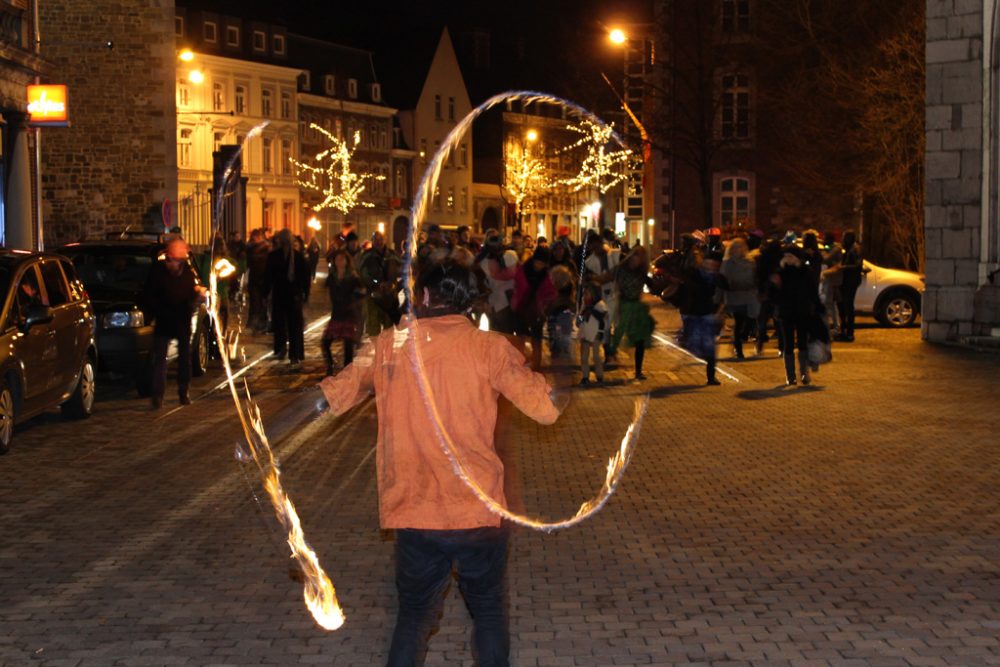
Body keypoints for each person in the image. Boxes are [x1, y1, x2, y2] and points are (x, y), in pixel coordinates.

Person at [317, 260, 563, 667]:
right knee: (487, 611)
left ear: (426, 296)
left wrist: (264, 429)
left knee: (413, 617)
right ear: (467, 304)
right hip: (477, 508)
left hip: (416, 509)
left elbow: (330, 396)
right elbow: (546, 410)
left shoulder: (389, 344)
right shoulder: (488, 348)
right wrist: (561, 382)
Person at [140, 238, 207, 409]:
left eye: (176, 260)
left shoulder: (187, 274)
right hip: (163, 320)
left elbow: (191, 299)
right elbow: (148, 296)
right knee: (160, 361)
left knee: (185, 358)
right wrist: (155, 312)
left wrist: (197, 298)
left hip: (182, 321)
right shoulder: (158, 272)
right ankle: (157, 396)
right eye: (170, 259)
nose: (172, 264)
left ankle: (183, 391)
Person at [771, 244, 823, 385]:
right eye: (785, 256)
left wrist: (818, 308)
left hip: (802, 311)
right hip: (786, 312)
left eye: (790, 256)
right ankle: (790, 376)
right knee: (788, 343)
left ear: (797, 258)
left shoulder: (805, 271)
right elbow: (773, 294)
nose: (787, 259)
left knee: (802, 342)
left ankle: (804, 373)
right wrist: (775, 284)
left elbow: (812, 291)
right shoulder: (780, 272)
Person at [266, 229, 310, 369]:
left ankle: (295, 354)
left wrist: (304, 294)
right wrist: (265, 293)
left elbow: (305, 277)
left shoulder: (298, 257)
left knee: (294, 326)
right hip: (279, 294)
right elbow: (269, 277)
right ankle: (281, 349)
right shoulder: (274, 256)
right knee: (279, 324)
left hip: (294, 295)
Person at [611, 245, 656, 381]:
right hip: (624, 304)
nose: (637, 259)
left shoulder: (642, 272)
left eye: (641, 257)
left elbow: (653, 285)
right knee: (619, 331)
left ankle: (638, 371)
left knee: (640, 339)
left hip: (636, 307)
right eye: (636, 255)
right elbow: (614, 282)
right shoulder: (622, 268)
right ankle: (610, 353)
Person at [321, 249, 365, 376]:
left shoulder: (352, 277)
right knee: (325, 342)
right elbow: (326, 291)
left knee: (348, 345)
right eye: (337, 259)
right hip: (336, 314)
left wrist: (355, 301)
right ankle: (329, 367)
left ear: (347, 261)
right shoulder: (332, 276)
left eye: (342, 258)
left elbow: (362, 291)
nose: (339, 261)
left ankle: (348, 370)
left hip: (348, 313)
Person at [511, 246, 556, 371]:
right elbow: (517, 288)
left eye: (542, 263)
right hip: (521, 307)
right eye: (538, 261)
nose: (539, 265)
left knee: (536, 339)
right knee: (521, 337)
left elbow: (551, 292)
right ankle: (519, 362)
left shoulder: (546, 275)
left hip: (537, 310)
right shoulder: (523, 269)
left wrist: (544, 302)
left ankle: (536, 365)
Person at [684, 250, 724, 385]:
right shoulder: (695, 274)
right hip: (694, 313)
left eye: (714, 265)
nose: (711, 267)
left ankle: (711, 377)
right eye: (709, 264)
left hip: (708, 314)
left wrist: (719, 311)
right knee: (695, 345)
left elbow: (725, 290)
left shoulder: (717, 278)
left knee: (710, 347)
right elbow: (691, 290)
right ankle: (706, 360)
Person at [719, 238, 758, 360]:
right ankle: (738, 348)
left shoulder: (750, 262)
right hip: (735, 296)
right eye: (736, 247)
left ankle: (739, 341)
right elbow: (723, 279)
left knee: (750, 320)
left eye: (741, 247)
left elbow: (755, 277)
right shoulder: (727, 263)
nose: (739, 249)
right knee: (740, 321)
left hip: (749, 296)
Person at [359, 231, 402, 336]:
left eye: (381, 239)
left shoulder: (393, 254)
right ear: (372, 241)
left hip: (390, 297)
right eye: (376, 240)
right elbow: (362, 273)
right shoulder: (366, 256)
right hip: (373, 297)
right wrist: (376, 284)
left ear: (385, 240)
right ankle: (378, 351)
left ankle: (388, 351)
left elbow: (403, 271)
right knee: (373, 330)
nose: (378, 242)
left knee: (389, 329)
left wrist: (395, 286)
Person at [577, 281, 607, 385]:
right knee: (584, 357)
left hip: (595, 333)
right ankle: (585, 376)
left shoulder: (600, 305)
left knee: (596, 356)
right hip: (585, 333)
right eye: (584, 293)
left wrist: (592, 310)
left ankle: (599, 376)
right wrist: (580, 318)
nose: (585, 295)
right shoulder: (584, 304)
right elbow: (580, 318)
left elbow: (602, 318)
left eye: (587, 293)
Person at [836, 230, 863, 342]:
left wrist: (843, 267)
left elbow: (857, 265)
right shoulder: (849, 249)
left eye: (844, 237)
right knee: (842, 305)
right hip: (847, 280)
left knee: (848, 306)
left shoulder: (854, 249)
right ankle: (844, 330)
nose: (842, 240)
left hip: (851, 281)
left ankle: (849, 333)